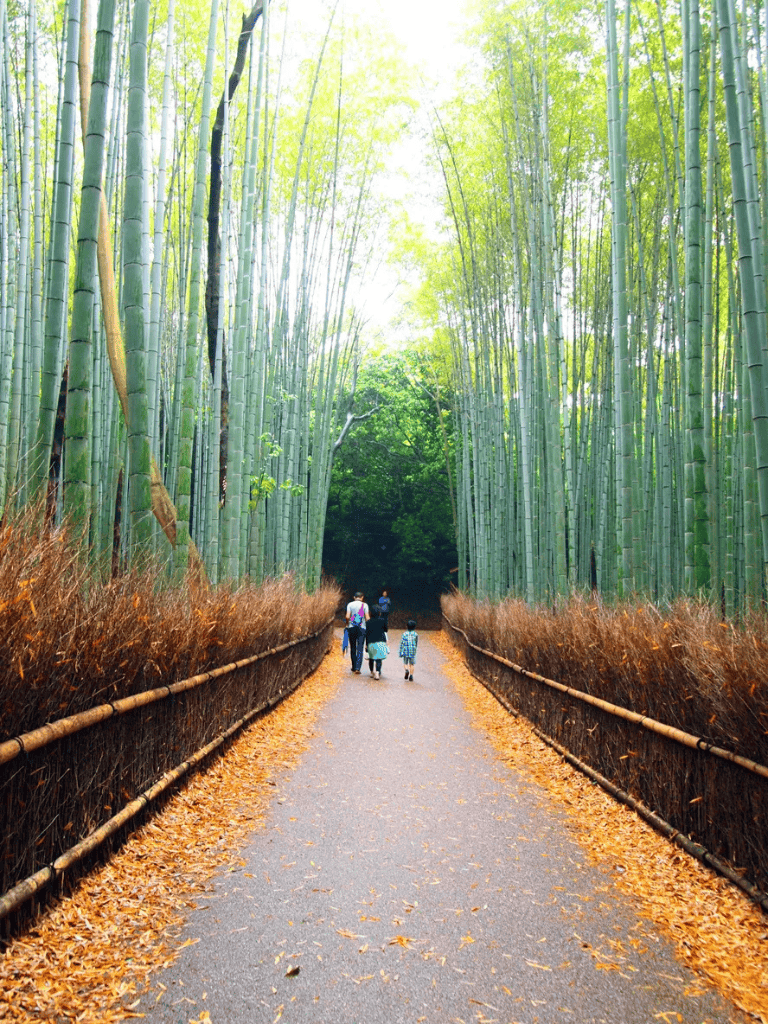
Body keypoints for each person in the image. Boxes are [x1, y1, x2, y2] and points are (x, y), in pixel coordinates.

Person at [345, 591, 369, 674]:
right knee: (360, 647)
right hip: (362, 628)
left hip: (352, 627)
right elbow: (367, 618)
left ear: (354, 597)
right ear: (362, 597)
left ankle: (353, 666)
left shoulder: (350, 604)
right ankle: (358, 668)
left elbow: (347, 616)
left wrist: (347, 623)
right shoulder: (365, 605)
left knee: (353, 647)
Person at [365, 605, 388, 679]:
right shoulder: (383, 620)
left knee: (371, 658)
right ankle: (378, 672)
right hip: (381, 641)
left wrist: (366, 644)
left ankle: (372, 672)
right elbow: (386, 630)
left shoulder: (368, 622)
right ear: (379, 612)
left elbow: (367, 633)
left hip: (371, 642)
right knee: (379, 659)